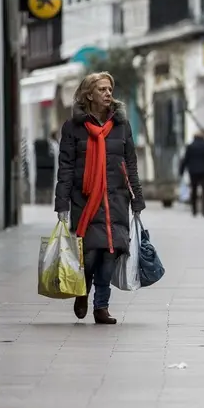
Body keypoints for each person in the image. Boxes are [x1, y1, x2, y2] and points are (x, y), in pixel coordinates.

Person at [55, 71, 146, 325]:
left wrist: (137, 199)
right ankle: (83, 289)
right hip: (85, 200)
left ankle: (101, 307)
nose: (108, 94)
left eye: (110, 89)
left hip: (116, 198)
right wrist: (62, 204)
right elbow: (66, 168)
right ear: (89, 95)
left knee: (111, 252)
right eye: (102, 89)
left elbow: (131, 164)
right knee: (91, 253)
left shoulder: (121, 125)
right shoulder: (73, 127)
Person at [179, 130, 204, 217]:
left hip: (193, 171)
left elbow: (185, 159)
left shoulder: (190, 147)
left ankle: (194, 210)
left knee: (193, 190)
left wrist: (181, 171)